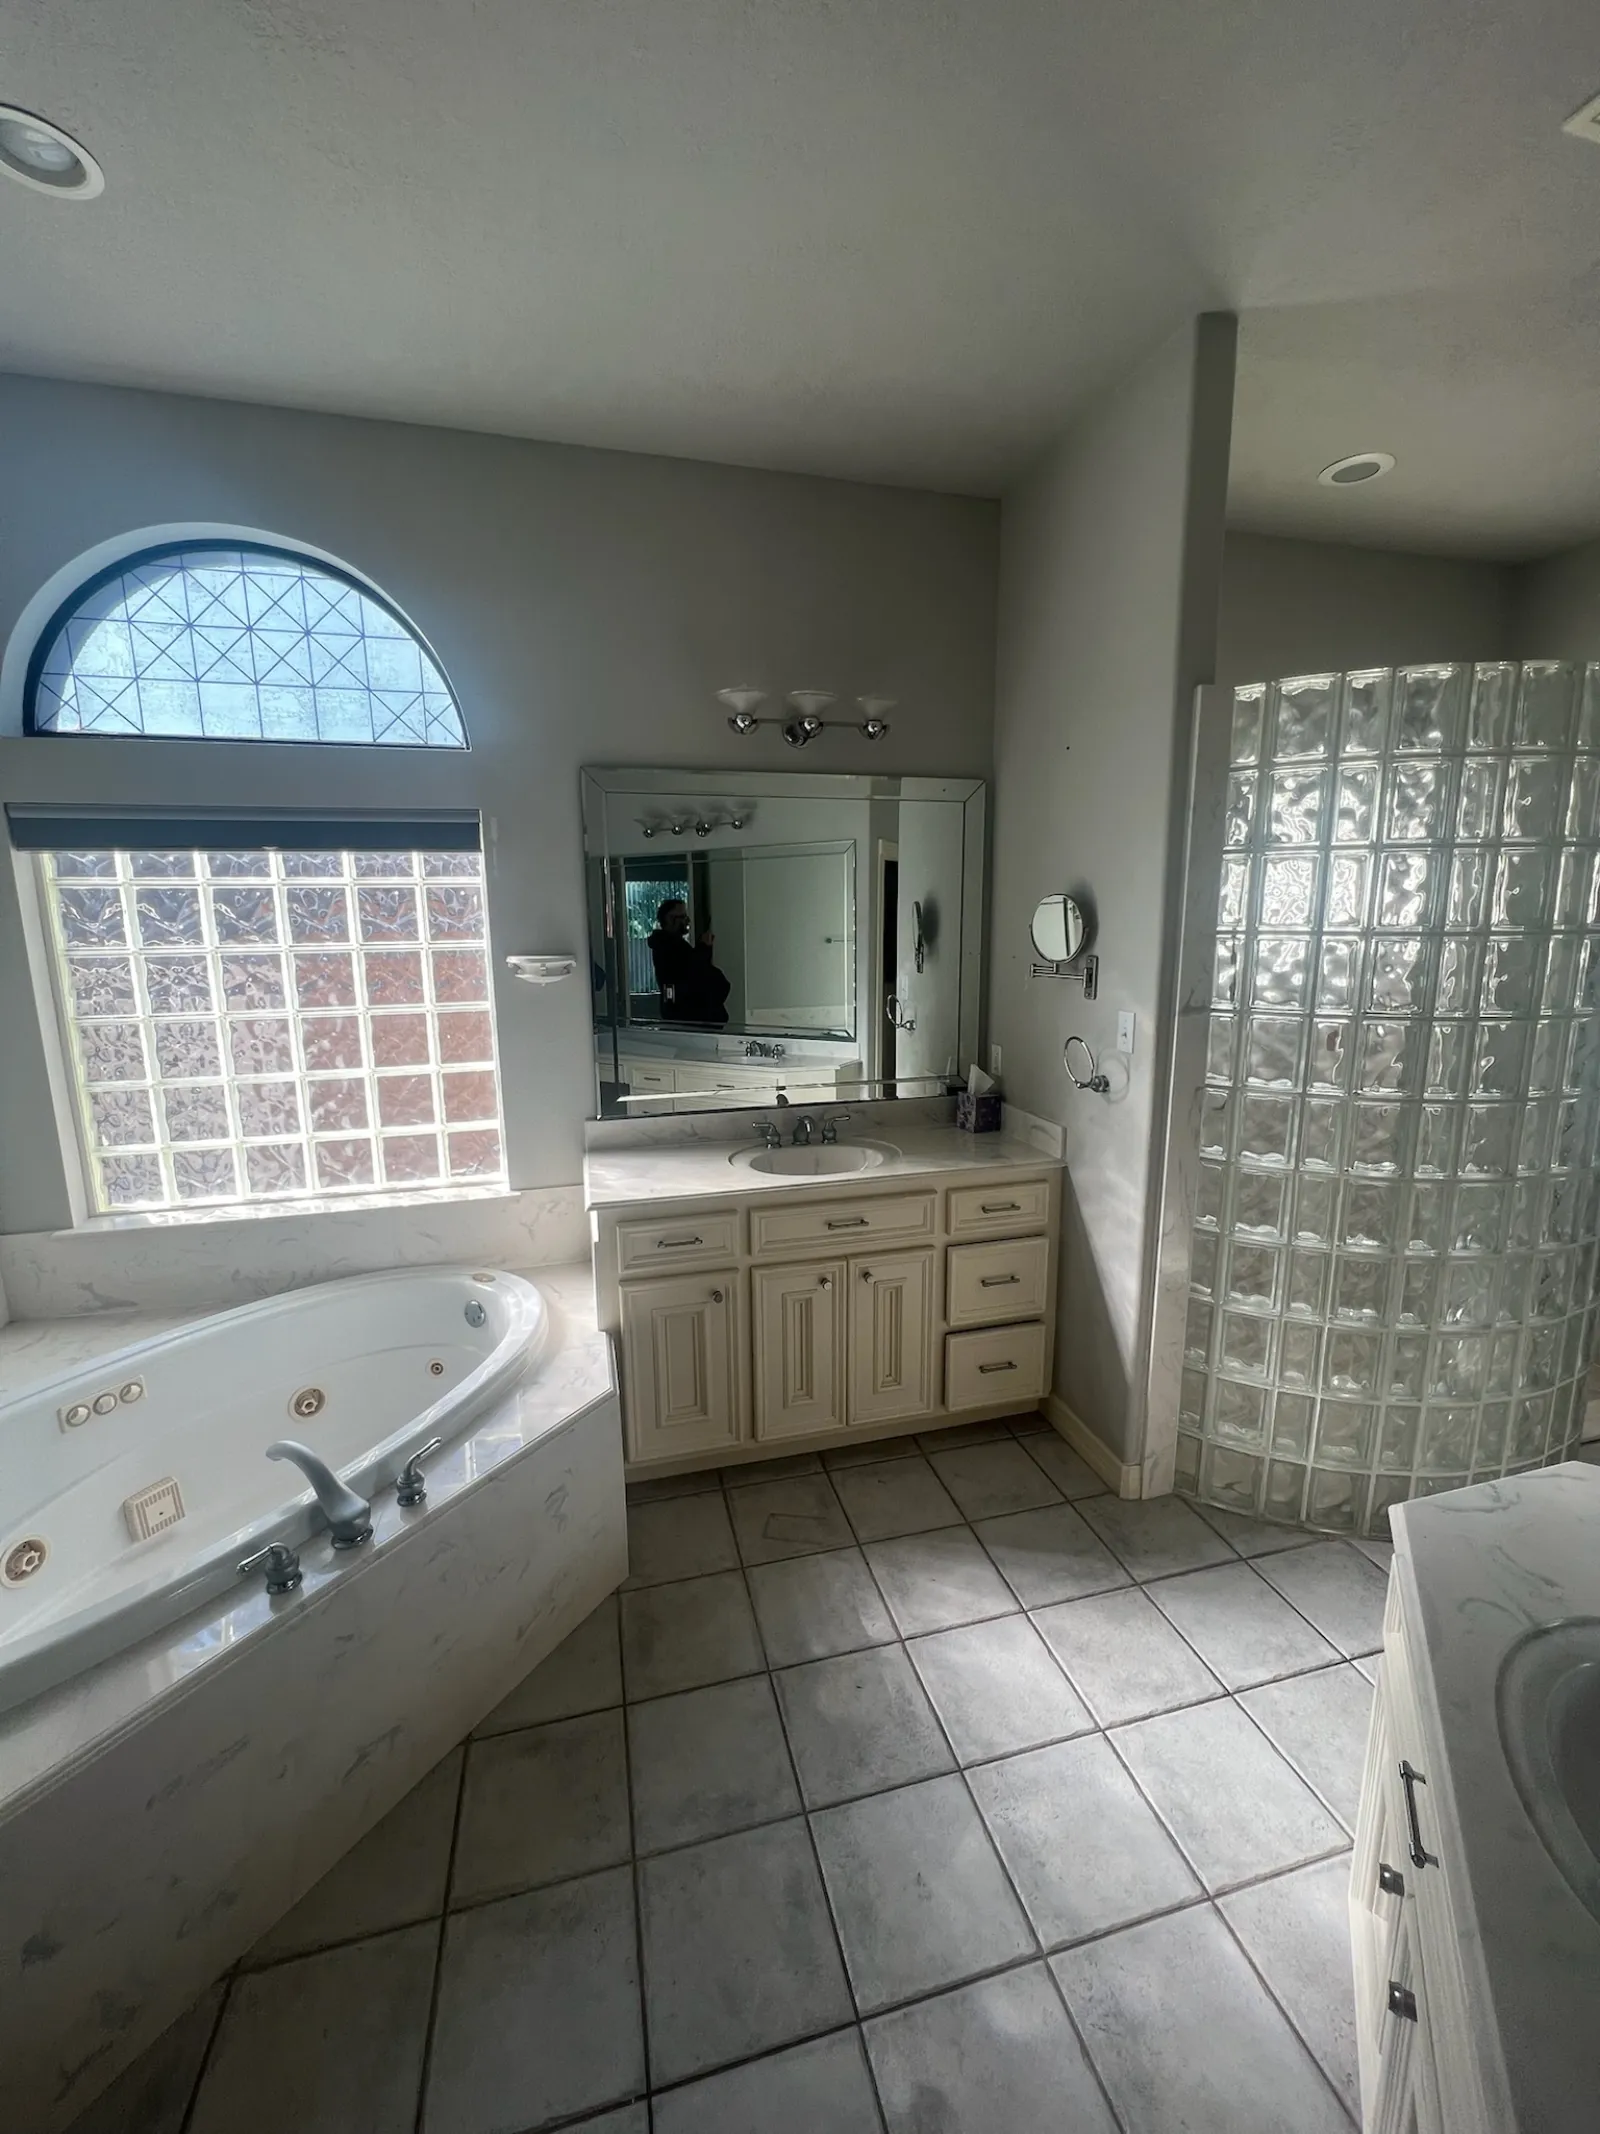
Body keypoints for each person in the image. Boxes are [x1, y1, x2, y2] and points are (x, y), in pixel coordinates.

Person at [646, 898, 730, 1024]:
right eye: (683, 917)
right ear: (669, 919)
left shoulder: (672, 944)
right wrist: (704, 948)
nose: (687, 921)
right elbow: (690, 970)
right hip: (687, 1017)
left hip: (688, 1015)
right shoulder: (667, 946)